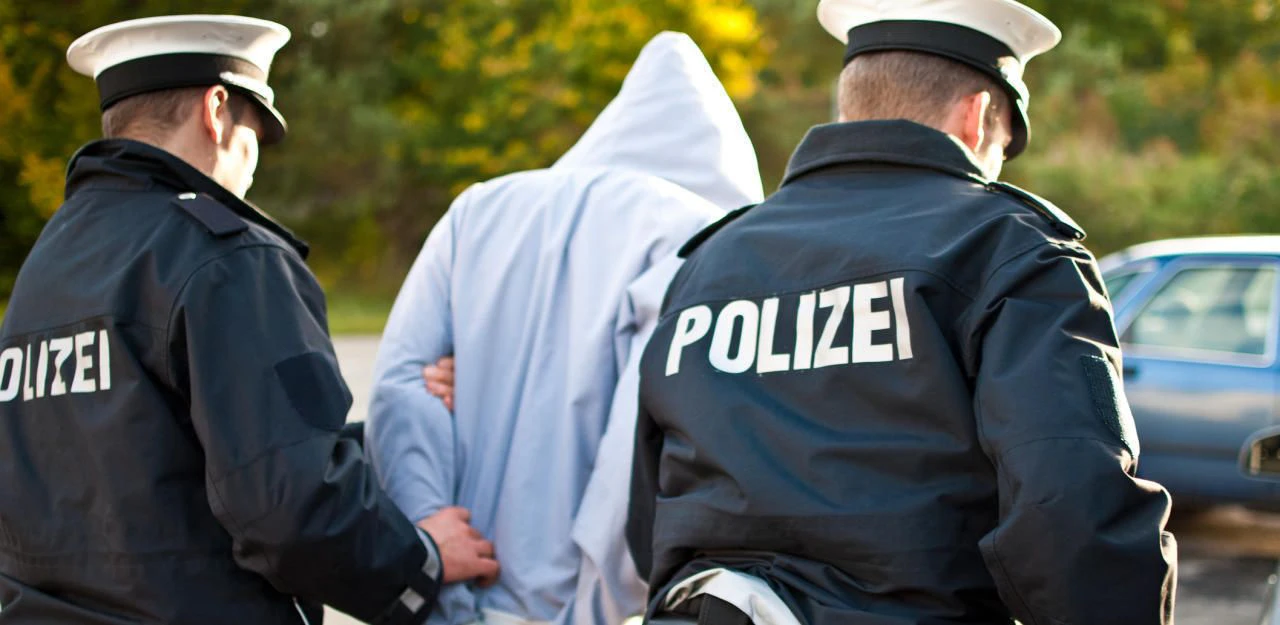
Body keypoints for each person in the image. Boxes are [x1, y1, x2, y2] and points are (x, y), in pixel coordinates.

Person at [625, 1, 1179, 624]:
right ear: (978, 117)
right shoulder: (1011, 249)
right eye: (1003, 145)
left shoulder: (706, 263)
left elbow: (650, 518)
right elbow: (1073, 512)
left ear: (850, 105)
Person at [0, 15, 497, 625]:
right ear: (216, 111)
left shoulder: (48, 265)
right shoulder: (226, 259)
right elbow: (289, 508)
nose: (255, 162)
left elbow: (144, 459)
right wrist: (420, 560)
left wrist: (394, 427)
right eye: (256, 132)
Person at [365, 32, 763, 625]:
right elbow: (637, 448)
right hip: (578, 608)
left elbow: (402, 391)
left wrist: (429, 556)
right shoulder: (699, 237)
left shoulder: (477, 210)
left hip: (448, 588)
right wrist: (590, 608)